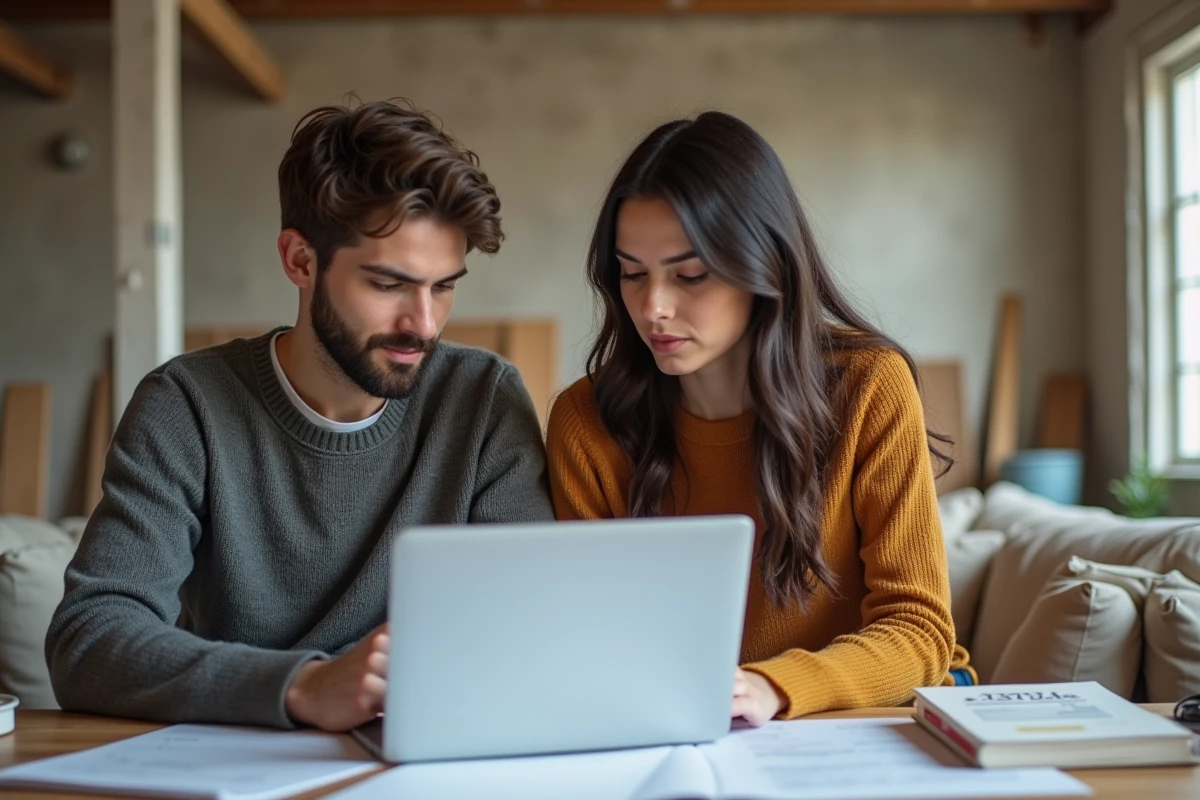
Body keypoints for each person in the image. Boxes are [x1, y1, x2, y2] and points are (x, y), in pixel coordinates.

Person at [47, 100, 554, 732]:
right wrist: (303, 686)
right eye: (389, 284)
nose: (423, 324)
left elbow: (532, 626)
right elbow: (89, 639)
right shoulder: (187, 404)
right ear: (300, 260)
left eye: (444, 286)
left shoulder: (482, 400)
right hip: (239, 756)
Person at [546, 111, 973, 727]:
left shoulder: (867, 386)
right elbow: (593, 638)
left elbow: (919, 631)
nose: (653, 307)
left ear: (763, 266)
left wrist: (773, 688)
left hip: (869, 716)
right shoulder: (587, 421)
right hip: (689, 725)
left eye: (689, 274)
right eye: (632, 273)